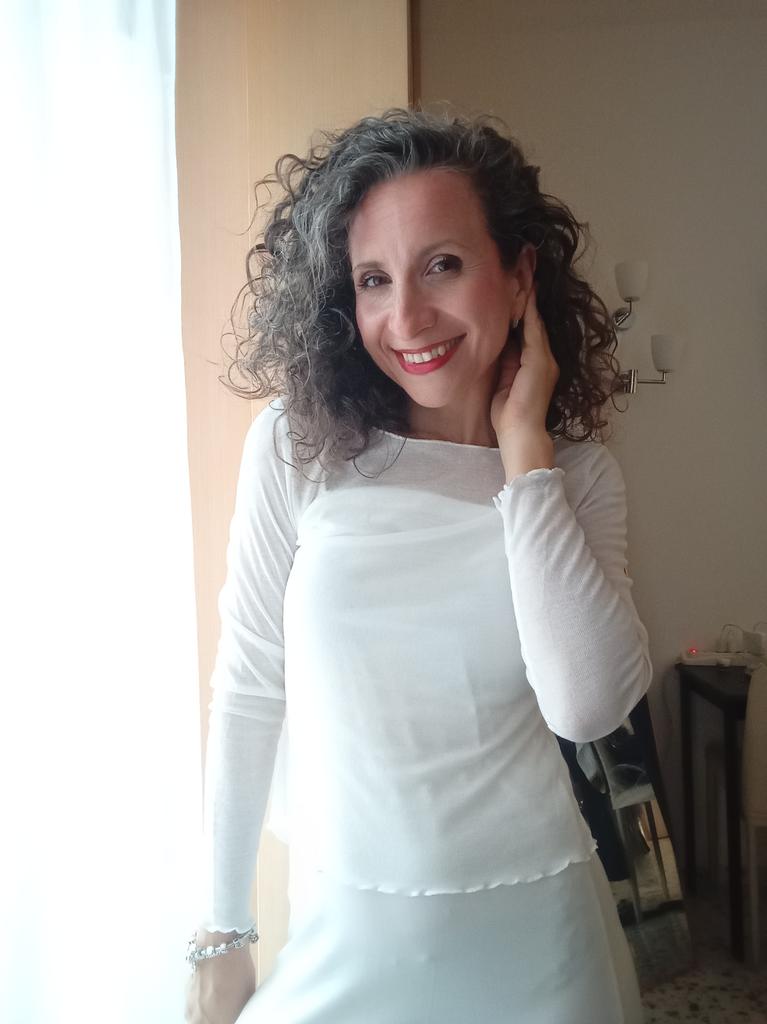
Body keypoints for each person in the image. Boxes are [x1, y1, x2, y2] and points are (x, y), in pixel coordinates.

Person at [184, 107, 652, 1023]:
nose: (405, 318)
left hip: (538, 942)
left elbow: (586, 705)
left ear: (518, 274)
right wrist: (221, 935)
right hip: (346, 935)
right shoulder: (297, 447)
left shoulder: (578, 478)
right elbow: (248, 688)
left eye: (442, 264)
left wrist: (524, 457)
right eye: (373, 279)